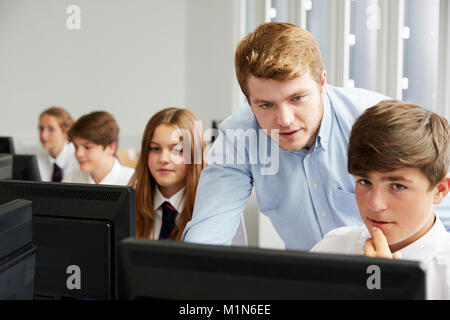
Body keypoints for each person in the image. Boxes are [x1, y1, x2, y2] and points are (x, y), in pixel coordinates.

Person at [182, 21, 450, 250]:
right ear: (248, 100)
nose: (284, 120)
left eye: (297, 98)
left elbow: (438, 213)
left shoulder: (372, 121)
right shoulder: (239, 136)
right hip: (310, 281)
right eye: (266, 105)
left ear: (322, 83)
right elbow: (208, 233)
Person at [311, 100, 450, 299]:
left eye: (398, 186)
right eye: (365, 182)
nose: (375, 204)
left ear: (440, 190)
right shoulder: (333, 247)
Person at [129, 108, 247, 243]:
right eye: (155, 148)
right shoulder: (130, 204)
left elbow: (236, 262)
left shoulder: (222, 206)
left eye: (177, 150)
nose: (164, 159)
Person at [62, 111, 134, 185]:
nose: (78, 154)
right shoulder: (70, 180)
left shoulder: (133, 181)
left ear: (111, 148)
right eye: (76, 147)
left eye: (87, 147)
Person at [37, 106, 79, 182]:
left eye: (51, 129)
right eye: (41, 128)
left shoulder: (79, 158)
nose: (43, 135)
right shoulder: (38, 159)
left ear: (65, 132)